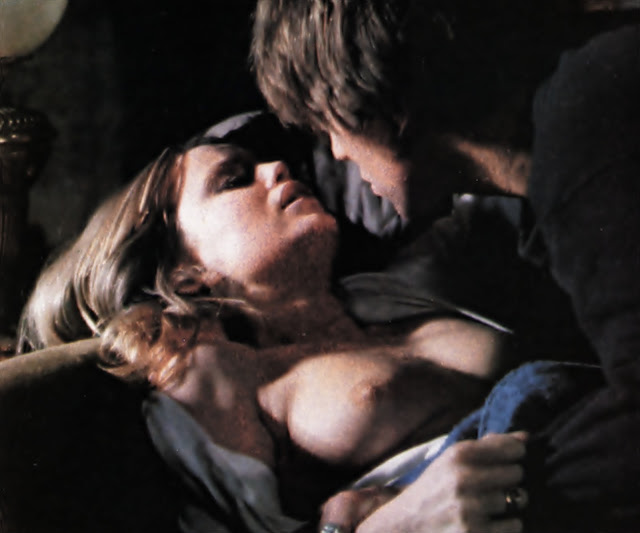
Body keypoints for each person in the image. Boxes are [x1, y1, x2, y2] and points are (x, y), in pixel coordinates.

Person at [251, 1, 640, 531]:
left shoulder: (587, 141)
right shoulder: (568, 136)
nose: (337, 153)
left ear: (374, 99)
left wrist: (472, 503)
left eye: (327, 125)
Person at [18, 131, 529, 533]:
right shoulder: (206, 371)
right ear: (185, 272)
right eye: (233, 180)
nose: (276, 167)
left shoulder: (380, 292)